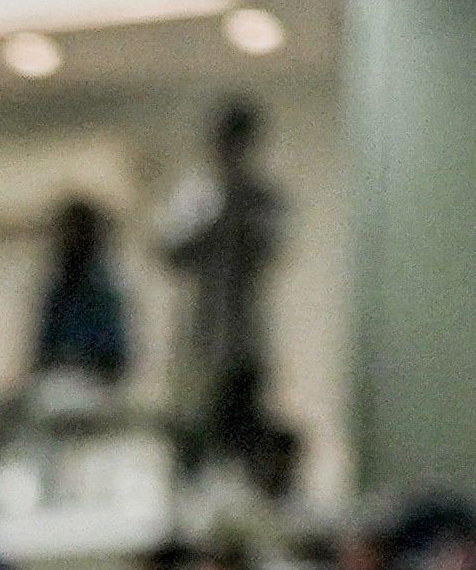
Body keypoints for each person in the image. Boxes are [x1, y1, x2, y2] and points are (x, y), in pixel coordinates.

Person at [156, 105, 288, 491]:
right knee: (192, 440)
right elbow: (170, 251)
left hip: (246, 343)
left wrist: (240, 213)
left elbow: (272, 248)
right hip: (199, 343)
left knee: (245, 444)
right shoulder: (196, 194)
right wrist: (216, 218)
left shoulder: (263, 197)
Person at [31, 199, 130, 391]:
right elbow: (43, 351)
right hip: (56, 381)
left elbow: (114, 356)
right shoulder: (58, 289)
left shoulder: (104, 289)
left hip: (94, 386)